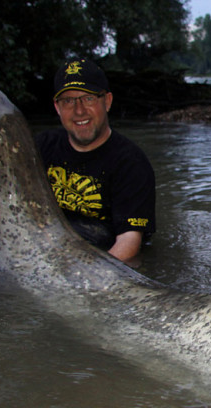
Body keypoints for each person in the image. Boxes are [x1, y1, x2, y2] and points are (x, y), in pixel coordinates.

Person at [35, 58, 155, 265]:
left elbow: (129, 242)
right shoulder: (41, 147)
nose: (79, 110)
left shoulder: (132, 164)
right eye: (68, 101)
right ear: (57, 107)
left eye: (88, 98)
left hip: (104, 256)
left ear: (107, 101)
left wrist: (84, 276)